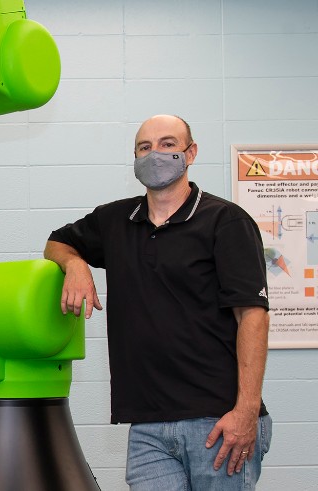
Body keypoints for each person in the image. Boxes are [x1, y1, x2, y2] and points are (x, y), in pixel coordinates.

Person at [44, 115, 272, 490]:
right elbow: (57, 242)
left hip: (218, 420)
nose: (155, 155)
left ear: (190, 152)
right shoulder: (114, 220)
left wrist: (245, 411)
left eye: (168, 145)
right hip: (147, 424)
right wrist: (75, 264)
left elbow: (252, 316)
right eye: (144, 148)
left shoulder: (225, 221)